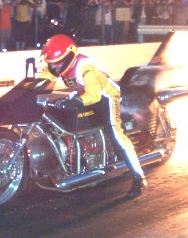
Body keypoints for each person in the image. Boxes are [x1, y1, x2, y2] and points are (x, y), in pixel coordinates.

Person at [39, 34, 147, 198]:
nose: (55, 67)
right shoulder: (58, 67)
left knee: (115, 133)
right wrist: (24, 93)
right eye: (52, 64)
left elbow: (94, 95)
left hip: (106, 97)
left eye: (59, 62)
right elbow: (41, 81)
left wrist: (75, 101)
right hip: (84, 95)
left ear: (69, 56)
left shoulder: (86, 67)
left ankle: (138, 177)